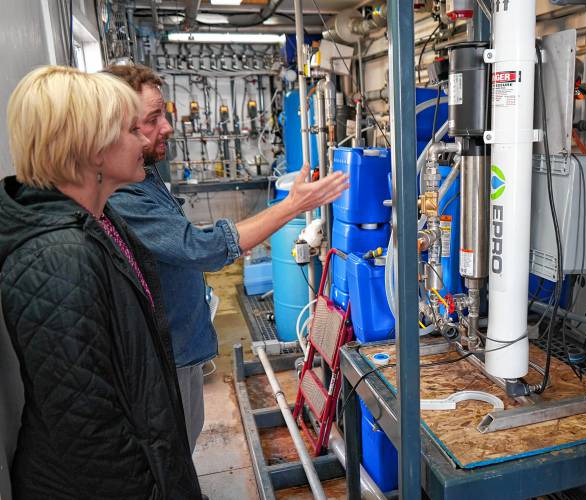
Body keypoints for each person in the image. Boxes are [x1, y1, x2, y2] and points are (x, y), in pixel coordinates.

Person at [104, 64, 348, 453]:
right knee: (174, 453)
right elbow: (201, 248)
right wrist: (294, 205)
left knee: (186, 439)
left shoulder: (144, 173)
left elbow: (187, 244)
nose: (168, 127)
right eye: (153, 119)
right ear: (115, 128)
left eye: (164, 113)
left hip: (184, 342)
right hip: (168, 352)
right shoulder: (122, 194)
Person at [0, 66, 201, 499]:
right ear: (93, 149)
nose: (146, 140)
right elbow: (87, 427)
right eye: (132, 129)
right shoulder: (57, 257)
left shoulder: (101, 221)